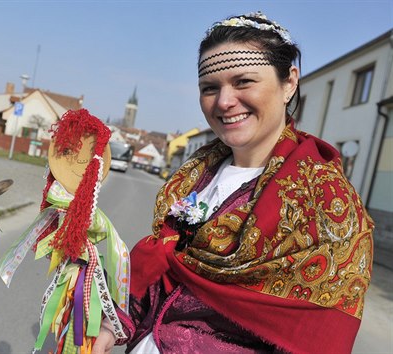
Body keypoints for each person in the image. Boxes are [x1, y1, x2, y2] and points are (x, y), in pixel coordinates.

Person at [93, 11, 374, 354]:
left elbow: (316, 337)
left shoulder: (324, 201)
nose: (224, 102)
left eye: (243, 82)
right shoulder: (193, 177)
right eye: (210, 88)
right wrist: (112, 328)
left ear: (289, 83)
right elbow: (163, 276)